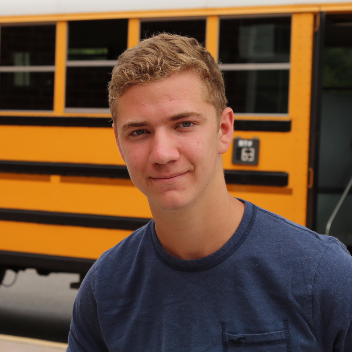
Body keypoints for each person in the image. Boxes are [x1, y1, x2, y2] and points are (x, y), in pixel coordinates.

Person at [67, 34, 352, 352]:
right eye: (139, 132)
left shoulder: (323, 274)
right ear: (119, 144)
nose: (162, 153)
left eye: (184, 124)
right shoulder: (105, 287)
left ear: (224, 129)